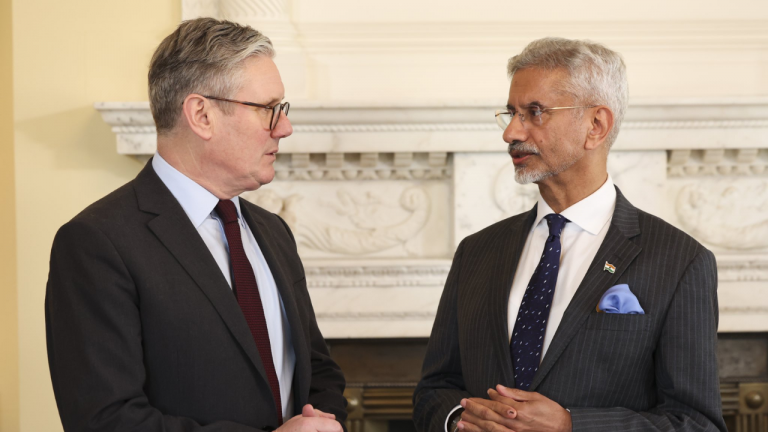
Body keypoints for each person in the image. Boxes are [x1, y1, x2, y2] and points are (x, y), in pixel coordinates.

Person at [46, 17, 346, 432]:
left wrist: (327, 422)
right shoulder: (97, 242)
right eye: (268, 109)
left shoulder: (273, 232)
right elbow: (104, 420)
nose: (285, 127)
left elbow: (318, 371)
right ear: (201, 115)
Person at [413, 37, 726, 432]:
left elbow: (697, 424)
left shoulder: (681, 262)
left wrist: (571, 425)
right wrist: (460, 420)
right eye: (511, 113)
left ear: (596, 126)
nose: (511, 132)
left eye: (535, 112)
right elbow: (433, 390)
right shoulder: (477, 252)